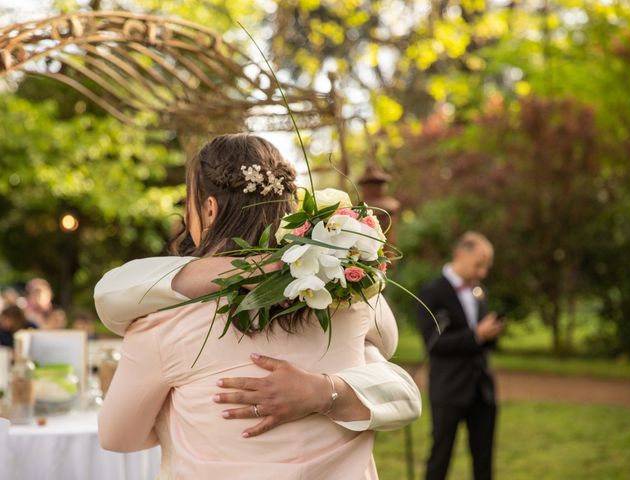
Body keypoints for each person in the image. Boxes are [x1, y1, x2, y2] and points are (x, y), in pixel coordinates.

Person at [95, 134, 421, 479]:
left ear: (209, 209)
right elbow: (388, 342)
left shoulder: (163, 323)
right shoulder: (347, 302)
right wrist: (330, 392)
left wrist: (175, 412)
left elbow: (118, 436)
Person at [417, 232, 504, 480]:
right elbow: (433, 344)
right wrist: (476, 335)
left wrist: (491, 333)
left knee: (484, 459)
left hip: (482, 389)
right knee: (440, 456)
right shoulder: (431, 292)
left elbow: (482, 342)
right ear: (460, 255)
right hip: (449, 388)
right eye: (479, 264)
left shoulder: (479, 291)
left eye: (487, 265)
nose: (483, 272)